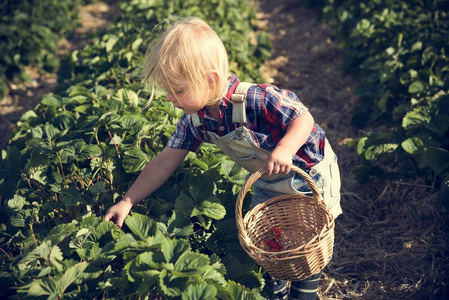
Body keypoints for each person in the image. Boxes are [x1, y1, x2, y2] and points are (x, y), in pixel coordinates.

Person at [103, 17, 342, 300]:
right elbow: (164, 162)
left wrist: (285, 149)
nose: (169, 97)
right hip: (267, 178)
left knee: (305, 242)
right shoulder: (195, 121)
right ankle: (275, 290)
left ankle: (305, 294)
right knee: (266, 240)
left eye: (177, 90)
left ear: (209, 80)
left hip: (306, 171)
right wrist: (128, 200)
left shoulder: (256, 98)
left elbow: (303, 117)